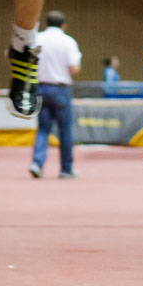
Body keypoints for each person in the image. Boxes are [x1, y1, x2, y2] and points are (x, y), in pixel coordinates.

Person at [29, 10, 81, 179]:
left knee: (43, 129)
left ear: (46, 23)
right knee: (65, 131)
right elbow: (74, 68)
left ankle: (37, 163)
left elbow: (29, 62)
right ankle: (66, 169)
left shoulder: (37, 39)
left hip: (41, 88)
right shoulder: (68, 42)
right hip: (60, 89)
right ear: (63, 25)